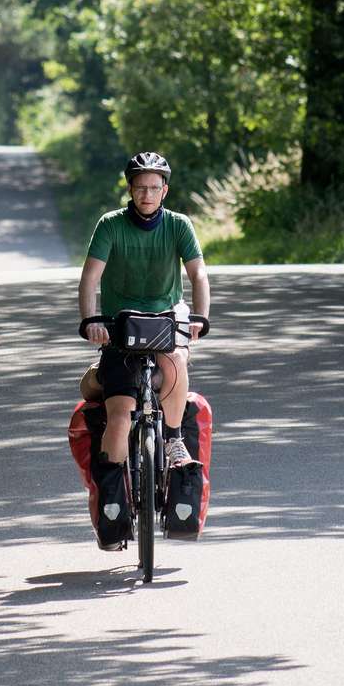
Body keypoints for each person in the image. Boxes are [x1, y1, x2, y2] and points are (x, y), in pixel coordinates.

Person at [78, 151, 211, 471]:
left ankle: (174, 439)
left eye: (154, 188)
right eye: (140, 187)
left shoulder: (179, 225)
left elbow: (198, 274)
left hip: (166, 319)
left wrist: (200, 317)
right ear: (130, 189)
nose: (147, 194)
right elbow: (90, 277)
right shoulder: (110, 224)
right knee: (120, 418)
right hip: (119, 326)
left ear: (164, 190)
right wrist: (90, 320)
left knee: (177, 359)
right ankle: (114, 495)